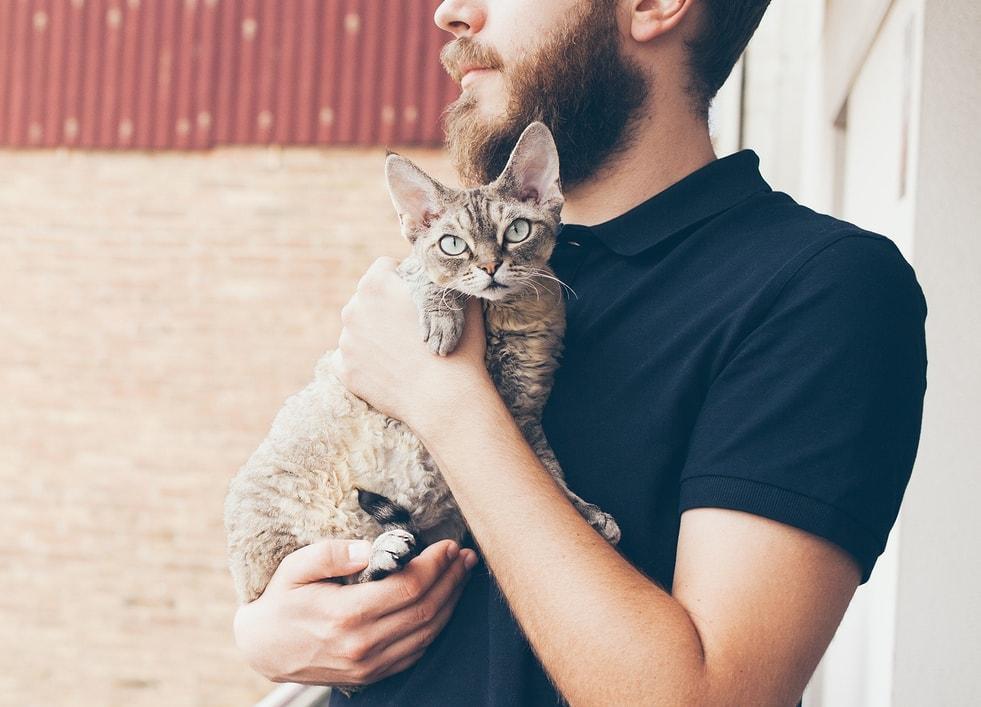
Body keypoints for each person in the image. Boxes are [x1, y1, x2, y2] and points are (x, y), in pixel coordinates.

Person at [233, 0, 928, 704]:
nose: (449, 13)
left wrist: (444, 399)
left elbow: (703, 696)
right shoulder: (482, 264)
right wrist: (269, 630)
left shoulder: (821, 287)